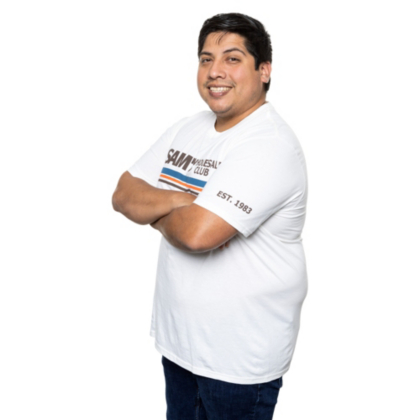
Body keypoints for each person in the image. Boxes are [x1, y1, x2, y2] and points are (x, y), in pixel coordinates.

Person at [112, 12, 308, 420]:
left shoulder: (268, 144)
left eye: (232, 59)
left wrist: (157, 208)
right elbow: (124, 194)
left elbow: (198, 235)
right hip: (180, 345)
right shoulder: (188, 128)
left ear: (264, 70)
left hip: (237, 360)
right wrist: (183, 200)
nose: (215, 71)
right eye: (206, 59)